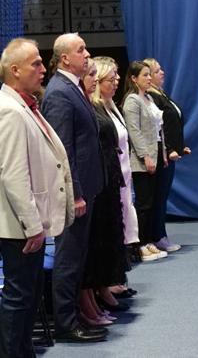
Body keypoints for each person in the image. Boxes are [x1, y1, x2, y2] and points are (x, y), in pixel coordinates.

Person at [0, 38, 75, 357]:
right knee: (20, 298)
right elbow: (13, 175)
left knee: (28, 298)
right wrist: (32, 226)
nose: (44, 69)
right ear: (14, 70)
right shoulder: (10, 111)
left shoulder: (25, 105)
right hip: (19, 227)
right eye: (36, 64)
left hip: (28, 225)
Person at [41, 33, 108, 342]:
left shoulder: (72, 87)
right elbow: (63, 150)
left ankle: (75, 315)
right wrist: (76, 193)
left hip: (87, 187)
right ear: (65, 58)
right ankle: (66, 324)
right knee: (68, 258)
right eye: (81, 50)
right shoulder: (58, 92)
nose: (87, 53)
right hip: (74, 194)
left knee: (78, 256)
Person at [93, 56, 139, 298]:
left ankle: (117, 278)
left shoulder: (112, 106)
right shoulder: (97, 108)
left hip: (123, 175)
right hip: (110, 178)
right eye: (111, 78)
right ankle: (110, 282)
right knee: (113, 229)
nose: (117, 81)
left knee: (123, 226)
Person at [143, 58, 190, 252]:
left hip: (170, 153)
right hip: (162, 154)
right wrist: (169, 149)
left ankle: (159, 234)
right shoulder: (151, 98)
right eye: (156, 71)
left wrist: (179, 147)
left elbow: (172, 124)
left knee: (162, 196)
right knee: (158, 197)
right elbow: (159, 128)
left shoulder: (160, 94)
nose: (162, 72)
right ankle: (157, 236)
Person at [122, 61, 168, 261]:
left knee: (152, 202)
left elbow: (158, 130)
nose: (149, 78)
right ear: (134, 78)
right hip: (141, 160)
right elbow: (134, 131)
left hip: (155, 154)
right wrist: (146, 156)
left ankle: (149, 241)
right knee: (143, 203)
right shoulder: (132, 101)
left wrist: (162, 153)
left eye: (150, 74)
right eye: (145, 75)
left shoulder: (148, 98)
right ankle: (139, 244)